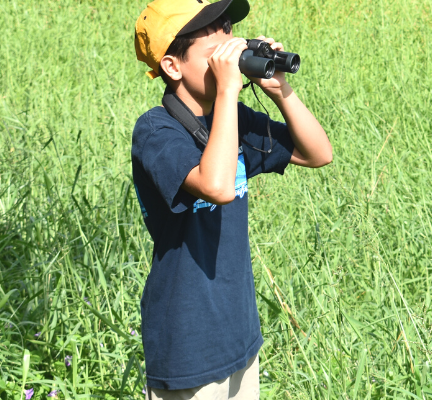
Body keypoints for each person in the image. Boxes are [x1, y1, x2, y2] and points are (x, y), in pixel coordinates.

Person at [131, 0, 332, 398]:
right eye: (215, 57)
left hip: (238, 331)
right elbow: (218, 186)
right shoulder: (156, 131)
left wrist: (280, 91)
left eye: (232, 46)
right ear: (173, 66)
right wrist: (226, 91)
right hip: (187, 343)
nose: (230, 62)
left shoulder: (232, 116)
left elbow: (317, 154)